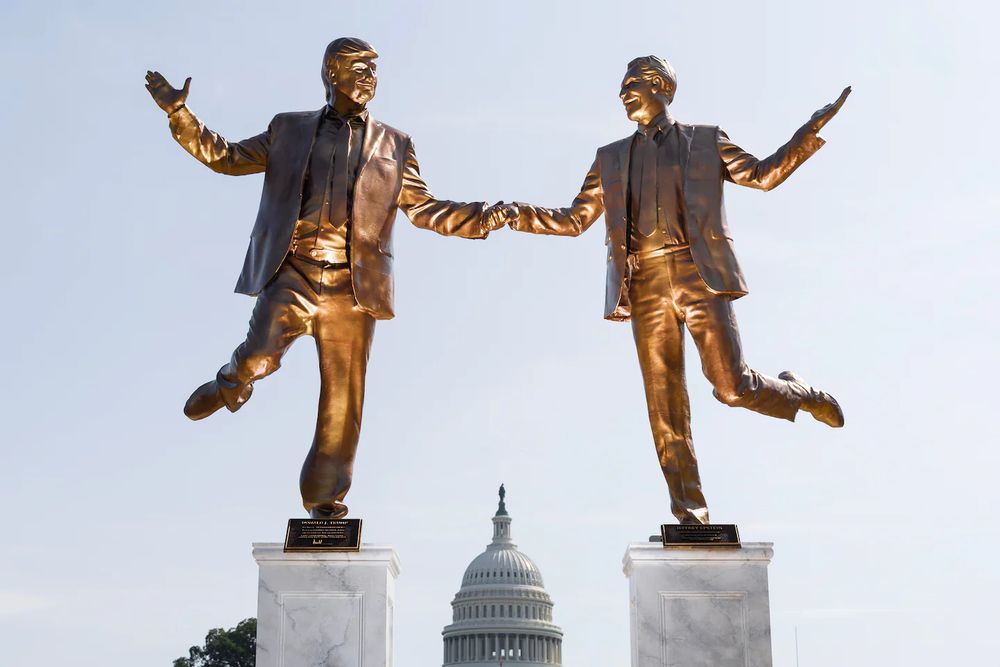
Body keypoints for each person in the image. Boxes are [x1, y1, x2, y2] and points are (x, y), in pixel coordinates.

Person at [145, 37, 510, 518]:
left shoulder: (396, 145)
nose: (369, 79)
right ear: (331, 73)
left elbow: (425, 210)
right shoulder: (289, 129)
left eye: (373, 72)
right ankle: (232, 381)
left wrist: (483, 217)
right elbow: (227, 157)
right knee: (260, 353)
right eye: (359, 69)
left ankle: (324, 496)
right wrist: (180, 115)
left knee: (343, 394)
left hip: (354, 287)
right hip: (293, 270)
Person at [496, 55, 849, 524]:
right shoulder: (611, 158)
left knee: (731, 387)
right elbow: (573, 219)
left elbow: (761, 175)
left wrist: (807, 134)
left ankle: (798, 393)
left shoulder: (704, 141)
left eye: (633, 84)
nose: (623, 94)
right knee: (664, 405)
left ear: (662, 86)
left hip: (697, 272)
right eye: (620, 87)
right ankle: (691, 514)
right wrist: (514, 213)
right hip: (644, 285)